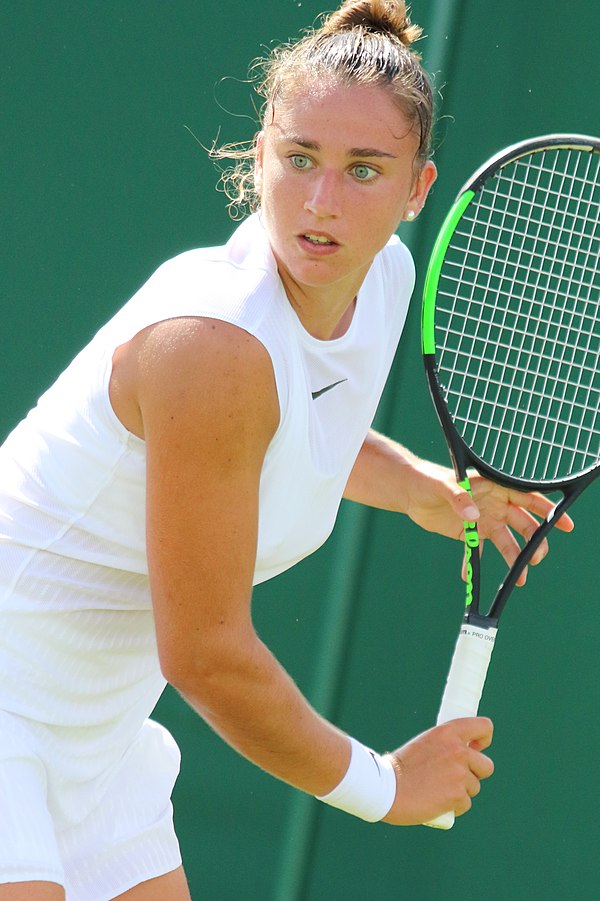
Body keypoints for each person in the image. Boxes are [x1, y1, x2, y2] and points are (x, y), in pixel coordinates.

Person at [0, 1, 573, 899]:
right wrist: (385, 786)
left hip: (98, 739)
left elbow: (293, 431)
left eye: (363, 171)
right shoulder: (210, 347)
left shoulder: (383, 280)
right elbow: (206, 654)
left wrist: (424, 487)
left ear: (417, 190)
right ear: (260, 151)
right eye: (299, 158)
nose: (320, 202)